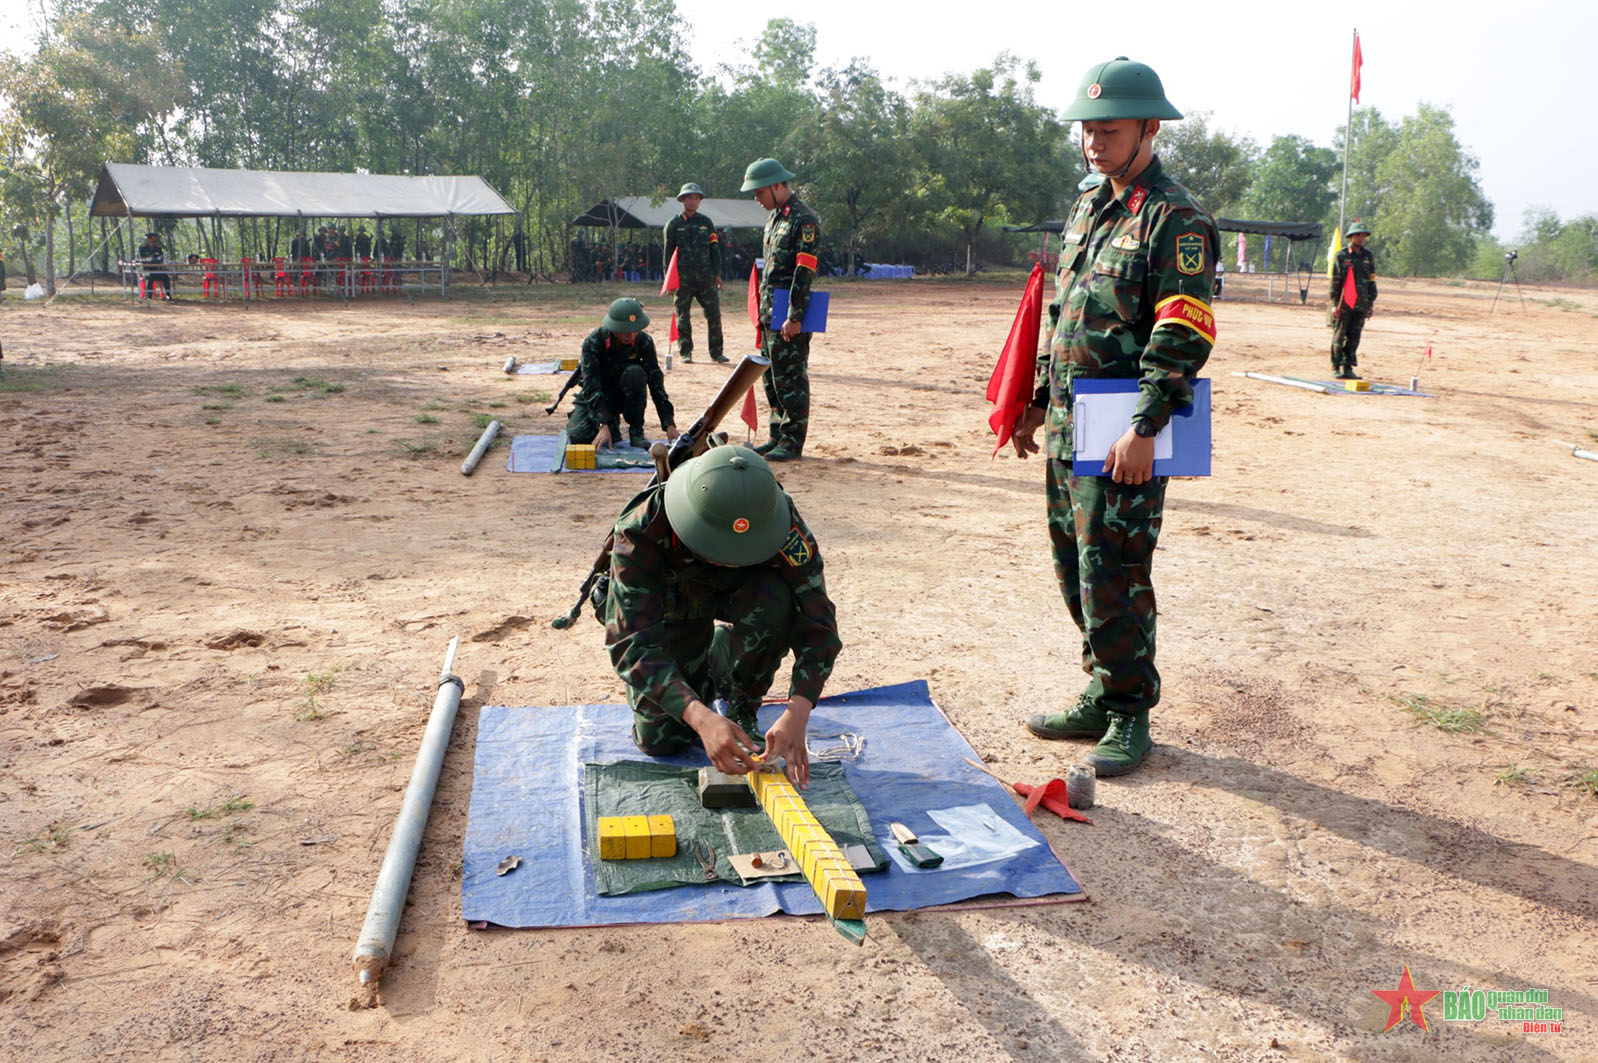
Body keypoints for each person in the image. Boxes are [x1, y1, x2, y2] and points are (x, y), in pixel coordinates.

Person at [1008, 57, 1219, 777]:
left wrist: (1147, 425)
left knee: (1117, 569)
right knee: (1075, 564)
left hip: (1126, 429)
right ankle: (1102, 689)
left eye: (1110, 130)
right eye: (1087, 130)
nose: (1094, 143)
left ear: (1149, 129)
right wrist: (1037, 398)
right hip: (1071, 422)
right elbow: (1064, 313)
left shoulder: (1175, 218)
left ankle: (1131, 709)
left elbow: (1183, 328)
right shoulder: (1088, 205)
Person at [604, 443, 842, 784]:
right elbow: (630, 642)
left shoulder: (780, 521)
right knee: (663, 742)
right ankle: (710, 661)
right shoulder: (643, 528)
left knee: (776, 597)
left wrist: (799, 709)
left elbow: (818, 621)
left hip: (742, 596)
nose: (729, 558)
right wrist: (698, 716)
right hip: (674, 613)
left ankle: (743, 703)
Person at [742, 158, 821, 462]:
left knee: (791, 377)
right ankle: (777, 435)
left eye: (759, 192)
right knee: (771, 377)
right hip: (769, 311)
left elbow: (804, 271)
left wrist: (795, 316)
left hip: (789, 312)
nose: (756, 199)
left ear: (777, 186)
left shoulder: (804, 220)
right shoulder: (775, 218)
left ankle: (792, 440)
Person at [566, 297, 679, 450]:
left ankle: (636, 431)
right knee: (578, 436)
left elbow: (656, 383)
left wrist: (669, 423)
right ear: (614, 328)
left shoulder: (644, 341)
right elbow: (591, 386)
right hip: (598, 394)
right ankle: (610, 423)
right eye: (625, 331)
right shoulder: (594, 342)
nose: (631, 336)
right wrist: (602, 424)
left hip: (626, 396)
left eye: (635, 330)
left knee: (635, 373)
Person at [663, 182, 726, 364]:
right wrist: (669, 281)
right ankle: (685, 352)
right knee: (683, 316)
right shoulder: (673, 224)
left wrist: (717, 274)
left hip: (706, 278)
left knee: (714, 314)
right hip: (682, 280)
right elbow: (668, 255)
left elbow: (715, 249)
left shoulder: (706, 223)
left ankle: (716, 352)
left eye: (696, 198)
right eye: (689, 198)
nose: (693, 201)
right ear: (682, 200)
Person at [1329, 220, 1377, 380]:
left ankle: (1348, 367)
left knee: (1354, 337)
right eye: (1358, 235)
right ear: (1352, 237)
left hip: (1361, 303)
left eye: (1364, 235)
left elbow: (1371, 281)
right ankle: (1336, 366)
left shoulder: (1368, 256)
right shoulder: (1341, 256)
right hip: (1343, 303)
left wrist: (1370, 304)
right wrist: (1335, 305)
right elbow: (1335, 281)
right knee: (1339, 335)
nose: (1361, 238)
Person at [137, 232, 173, 300]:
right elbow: (142, 258)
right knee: (150, 277)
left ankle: (168, 294)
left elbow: (161, 257)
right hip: (146, 269)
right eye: (151, 240)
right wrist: (149, 259)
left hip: (157, 269)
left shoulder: (158, 248)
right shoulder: (142, 248)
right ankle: (148, 296)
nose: (153, 242)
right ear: (148, 239)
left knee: (165, 277)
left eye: (154, 240)